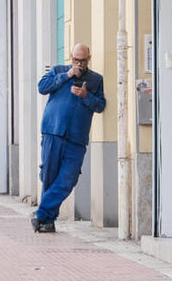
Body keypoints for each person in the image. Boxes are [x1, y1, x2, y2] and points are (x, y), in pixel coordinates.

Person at [31, 43, 106, 233]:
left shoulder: (96, 80)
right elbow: (42, 87)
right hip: (53, 132)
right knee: (49, 176)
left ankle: (40, 214)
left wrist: (85, 96)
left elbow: (100, 106)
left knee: (68, 179)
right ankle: (48, 221)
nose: (78, 64)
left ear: (89, 59)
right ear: (70, 58)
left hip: (77, 138)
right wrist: (67, 75)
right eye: (75, 60)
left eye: (82, 61)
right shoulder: (59, 71)